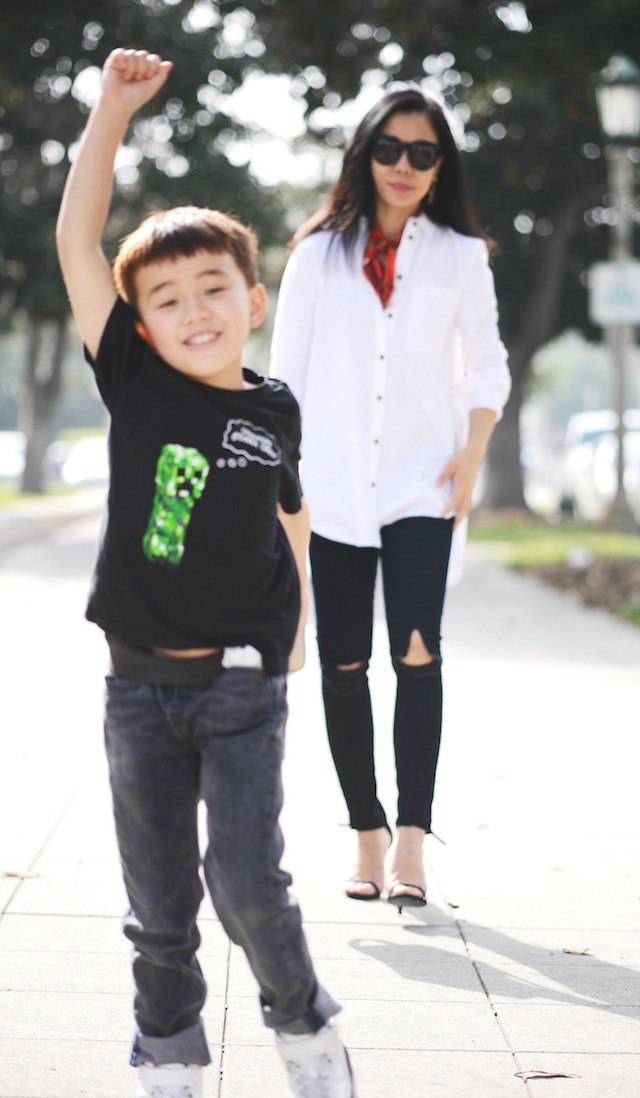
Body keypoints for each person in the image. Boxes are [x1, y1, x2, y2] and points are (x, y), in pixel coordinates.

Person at [56, 48, 356, 1098]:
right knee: (161, 905)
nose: (193, 311)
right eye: (168, 298)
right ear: (139, 323)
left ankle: (304, 1026)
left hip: (240, 685)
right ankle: (170, 1055)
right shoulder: (134, 380)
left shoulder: (273, 407)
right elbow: (75, 239)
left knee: (247, 884)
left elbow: (290, 509)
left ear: (253, 299)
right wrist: (110, 114)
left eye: (213, 289)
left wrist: (304, 625)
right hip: (138, 688)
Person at [270, 87, 511, 911]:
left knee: (417, 654)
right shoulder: (314, 257)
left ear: (442, 168)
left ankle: (413, 838)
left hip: (420, 487)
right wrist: (282, 495)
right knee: (342, 665)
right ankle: (365, 833)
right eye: (390, 149)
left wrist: (472, 455)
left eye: (424, 152)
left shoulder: (460, 256)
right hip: (331, 491)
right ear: (364, 155)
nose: (404, 166)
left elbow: (487, 366)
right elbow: (285, 384)